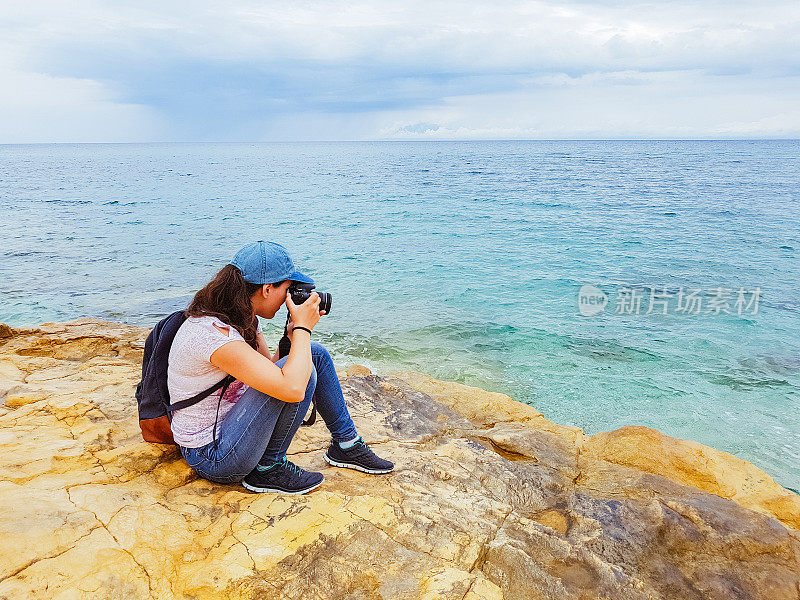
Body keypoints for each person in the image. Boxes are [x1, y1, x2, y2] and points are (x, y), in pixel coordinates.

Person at [167, 240, 394, 494]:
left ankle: (346, 444)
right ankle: (267, 468)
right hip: (214, 456)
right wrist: (303, 328)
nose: (289, 297)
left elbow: (267, 369)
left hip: (234, 430)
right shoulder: (213, 335)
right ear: (266, 289)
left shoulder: (242, 316)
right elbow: (292, 388)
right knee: (300, 369)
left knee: (313, 353)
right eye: (287, 288)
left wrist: (292, 338)